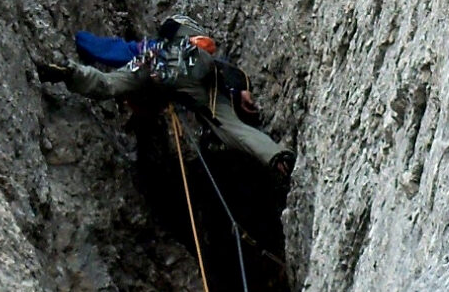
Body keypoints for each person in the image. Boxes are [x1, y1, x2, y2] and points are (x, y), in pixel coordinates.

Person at [40, 15, 290, 175]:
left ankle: (70, 73)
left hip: (152, 65)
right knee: (232, 127)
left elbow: (104, 48)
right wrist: (242, 90)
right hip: (191, 74)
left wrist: (81, 40)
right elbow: (223, 69)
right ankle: (276, 157)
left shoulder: (150, 47)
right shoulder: (196, 49)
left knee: (107, 84)